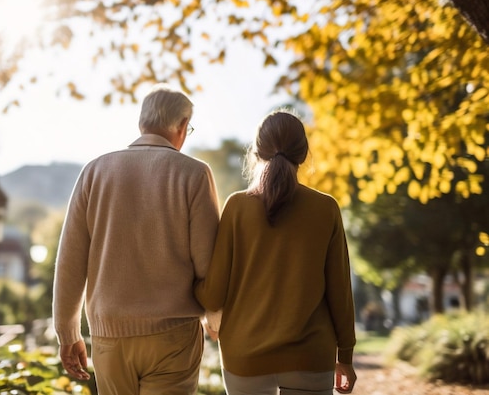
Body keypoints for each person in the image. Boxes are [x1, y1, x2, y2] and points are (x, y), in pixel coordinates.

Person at [52, 83, 221, 395]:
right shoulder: (194, 174)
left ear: (142, 123)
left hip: (110, 337)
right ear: (182, 127)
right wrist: (216, 319)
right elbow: (209, 263)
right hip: (175, 336)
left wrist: (67, 332)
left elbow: (70, 261)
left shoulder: (95, 171)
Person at [195, 110, 357, 395]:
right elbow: (340, 292)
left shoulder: (236, 207)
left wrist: (193, 285)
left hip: (244, 359)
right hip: (311, 358)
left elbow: (214, 293)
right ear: (304, 154)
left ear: (257, 153)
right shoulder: (326, 209)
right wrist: (345, 357)